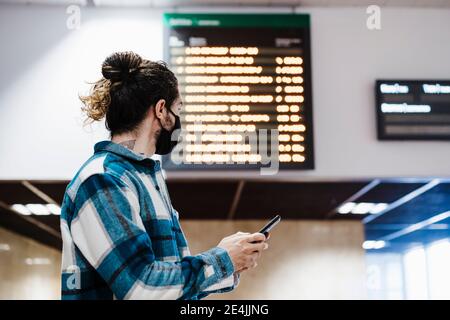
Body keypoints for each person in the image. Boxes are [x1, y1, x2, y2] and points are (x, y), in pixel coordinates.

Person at [60, 51, 269, 300]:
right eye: (178, 108)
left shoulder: (146, 177)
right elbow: (141, 288)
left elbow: (167, 288)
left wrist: (230, 264)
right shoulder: (103, 179)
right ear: (161, 110)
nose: (181, 119)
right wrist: (221, 259)